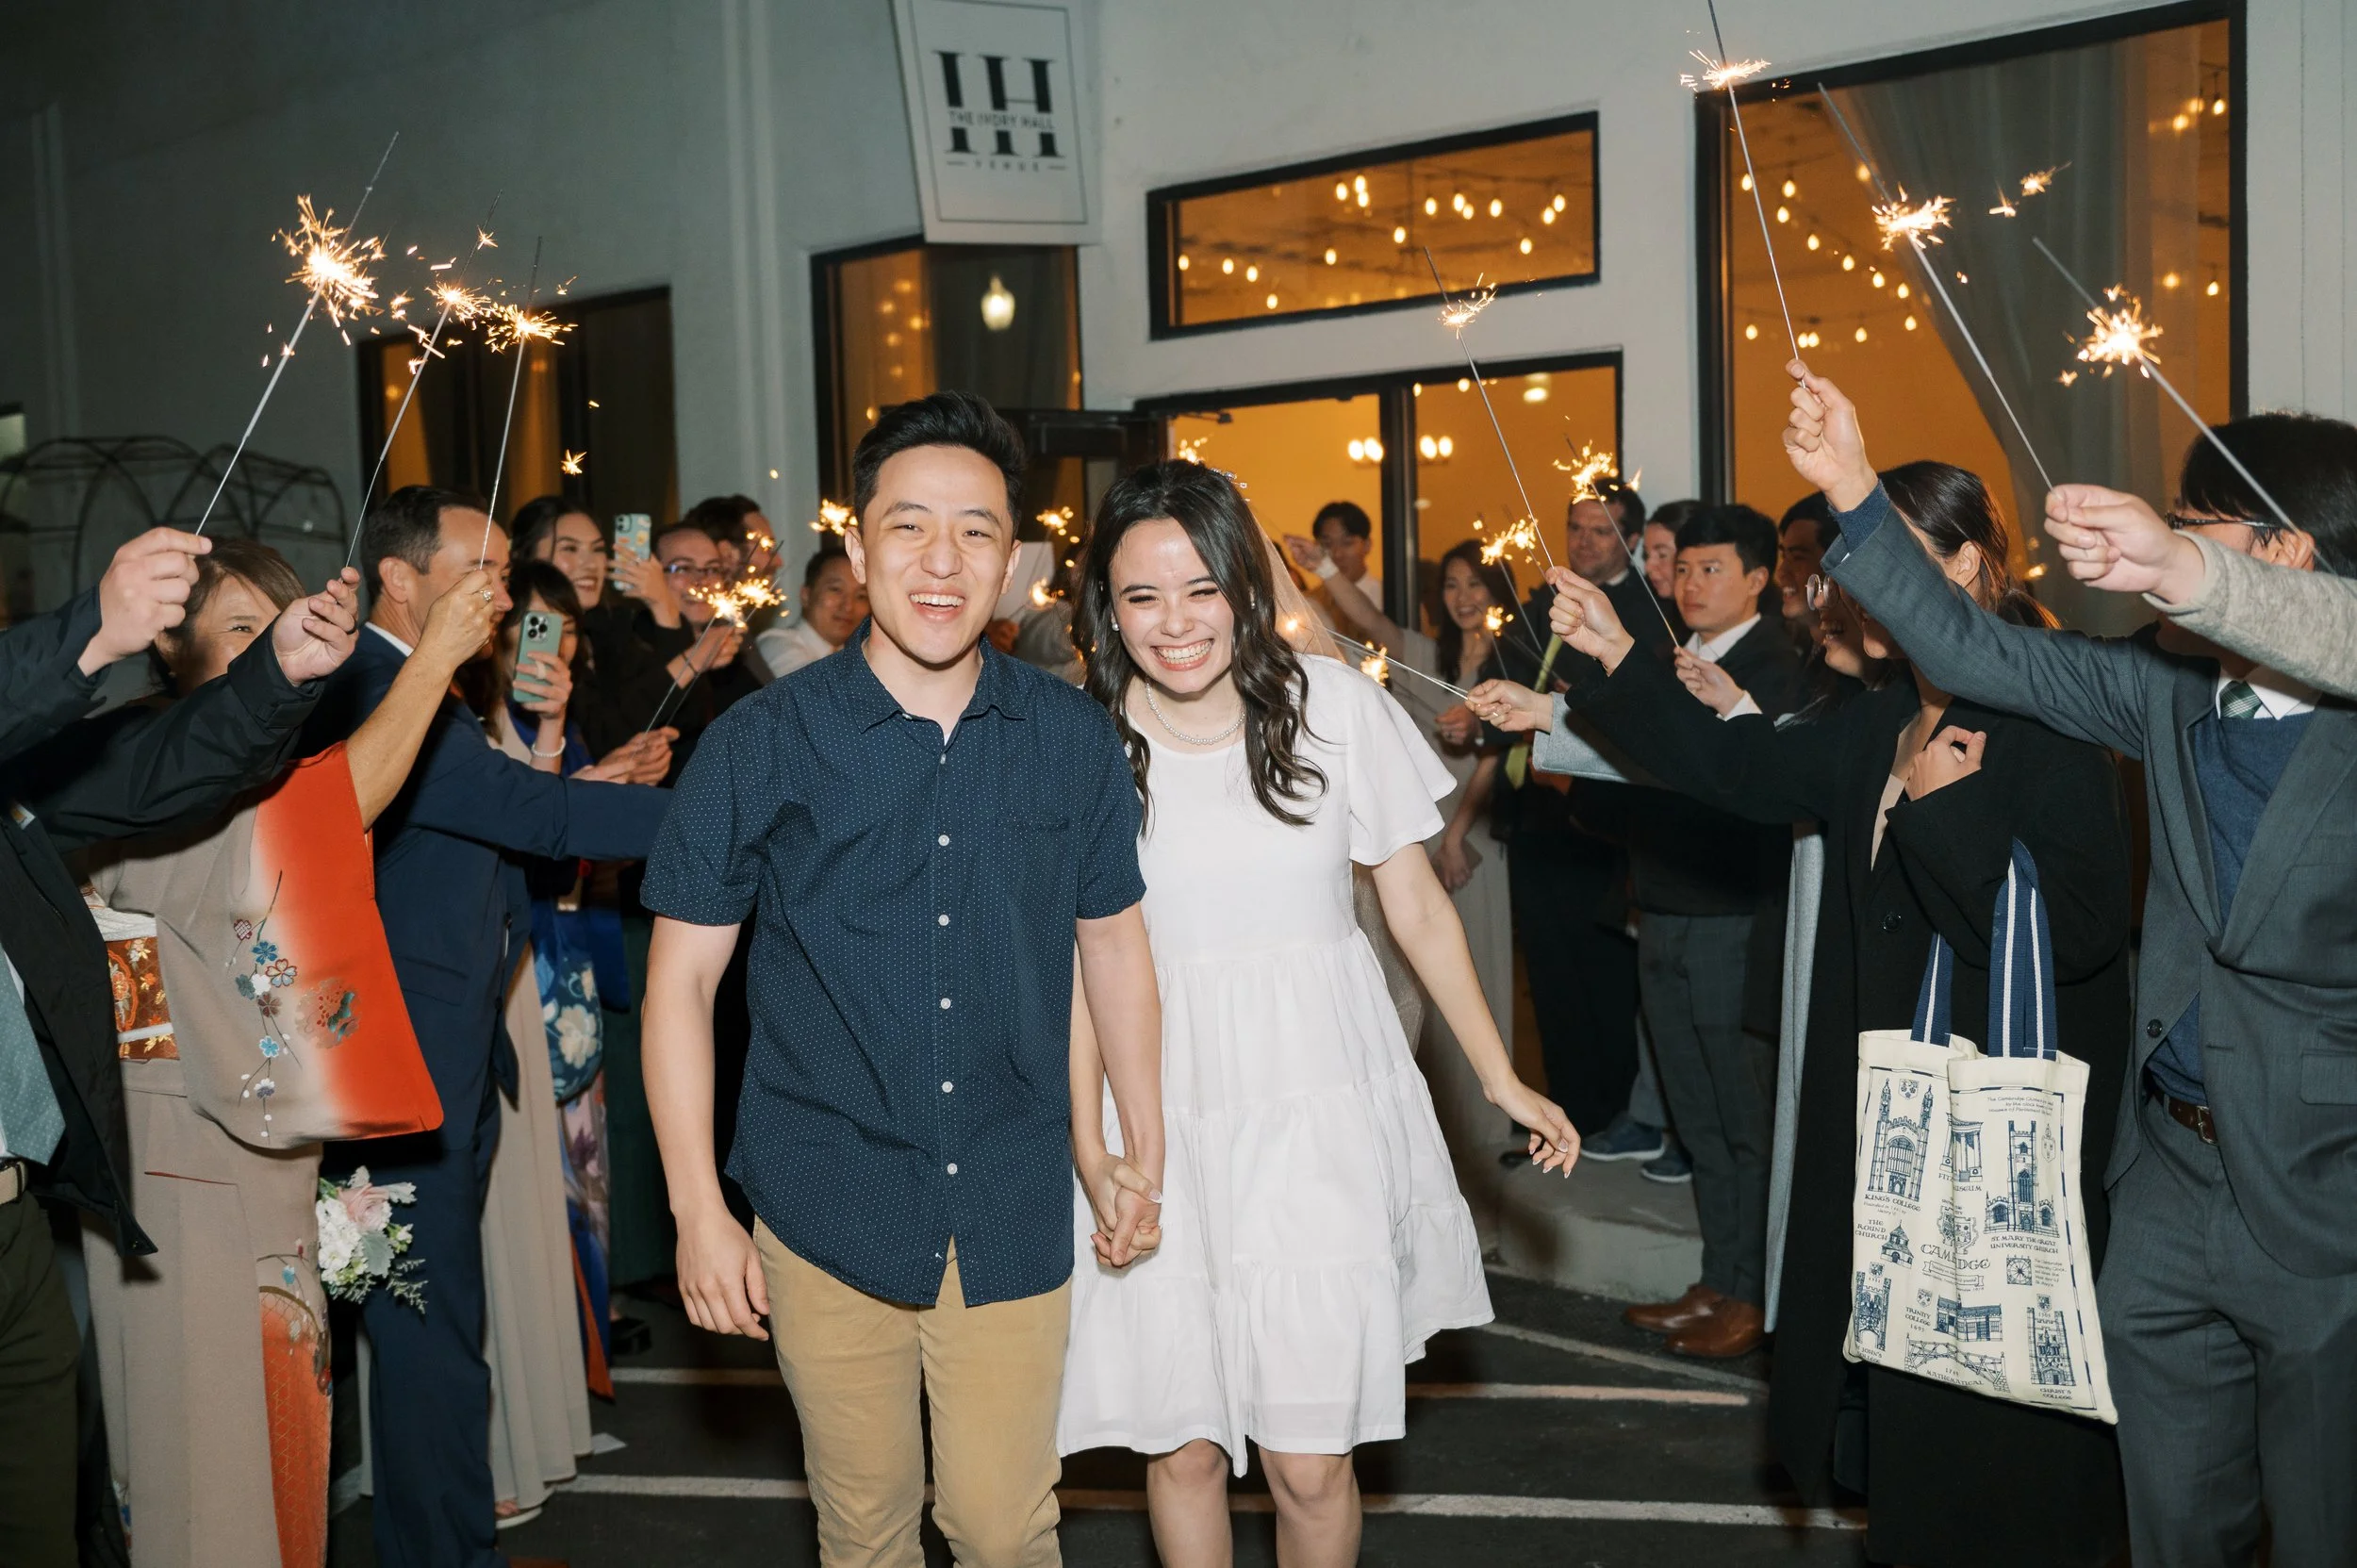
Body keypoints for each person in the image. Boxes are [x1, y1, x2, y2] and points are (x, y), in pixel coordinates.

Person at [1472, 459, 2134, 1567]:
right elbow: (1731, 768)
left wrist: (1947, 818)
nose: (1858, 592)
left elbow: (2076, 935)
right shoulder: (1881, 719)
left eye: (1892, 563)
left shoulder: (2051, 714)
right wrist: (1621, 656)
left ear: (1969, 565)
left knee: (2005, 1436)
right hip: (1885, 1129)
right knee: (1910, 1432)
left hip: (1994, 1141)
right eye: (1852, 568)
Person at [1786, 366, 2357, 1566]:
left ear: (2283, 553)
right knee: (2167, 1525)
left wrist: (2184, 571)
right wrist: (1848, 483)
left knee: (2321, 1527)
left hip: (2325, 1192)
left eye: (2192, 520)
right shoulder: (2164, 691)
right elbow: (1971, 647)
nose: (2161, 537)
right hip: (2162, 1185)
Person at [638, 390, 1165, 1568]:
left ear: (1016, 559)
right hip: (825, 1193)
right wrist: (695, 1211)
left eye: (976, 531)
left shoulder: (1071, 736)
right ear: (859, 545)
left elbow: (1115, 949)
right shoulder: (763, 743)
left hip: (1012, 1191)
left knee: (1002, 1524)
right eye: (910, 526)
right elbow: (679, 986)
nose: (943, 561)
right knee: (864, 1530)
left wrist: (1143, 1148)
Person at [1059, 459, 1577, 1568]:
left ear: (1245, 587)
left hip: (1316, 1106)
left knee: (1310, 1456)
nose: (1174, 622)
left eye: (1201, 587)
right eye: (1140, 596)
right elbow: (1076, 968)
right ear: (1106, 607)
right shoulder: (1081, 743)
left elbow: (1418, 910)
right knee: (1183, 1445)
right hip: (1155, 1107)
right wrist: (1090, 1143)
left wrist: (1497, 1073)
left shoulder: (1332, 704)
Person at [77, 537, 493, 1568]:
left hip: (236, 1144)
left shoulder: (225, 767)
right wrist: (433, 657)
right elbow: (320, 820)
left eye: (291, 626)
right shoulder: (156, 768)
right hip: (176, 1152)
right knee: (206, 1465)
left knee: (278, 1447)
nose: (279, 653)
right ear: (173, 653)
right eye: (241, 632)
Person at [302, 485, 672, 1568]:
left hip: (436, 1065)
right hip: (389, 1086)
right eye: (483, 572)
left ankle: (442, 1540)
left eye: (506, 574)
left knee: (419, 1331)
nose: (503, 596)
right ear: (401, 579)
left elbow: (510, 832)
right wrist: (735, 808)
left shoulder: (422, 691)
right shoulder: (375, 684)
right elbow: (541, 818)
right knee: (423, 1338)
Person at [0, 527, 361, 1565]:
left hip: (16, 1212)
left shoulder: (58, 769)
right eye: (234, 629)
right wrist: (91, 634)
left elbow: (153, 769)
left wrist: (276, 673)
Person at [1604, 503, 1808, 1356]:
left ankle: (1756, 1291)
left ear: (1759, 578)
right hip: (1664, 905)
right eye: (1682, 568)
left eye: (1710, 568)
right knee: (1692, 1110)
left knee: (1742, 1115)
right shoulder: (1667, 657)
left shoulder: (1781, 665)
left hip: (1733, 913)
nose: (1690, 583)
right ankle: (1719, 1274)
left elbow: (1740, 784)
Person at [1280, 534, 1523, 1170]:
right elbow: (1367, 623)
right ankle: (1433, 1123)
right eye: (1452, 585)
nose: (1464, 597)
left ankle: (1489, 1121)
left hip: (1471, 830)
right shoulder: (1424, 651)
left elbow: (1500, 755)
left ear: (1498, 591)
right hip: (1406, 832)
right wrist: (1324, 567)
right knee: (1415, 976)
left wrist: (1455, 836)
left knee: (1478, 969)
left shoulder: (1513, 660)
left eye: (1476, 584)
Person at [2044, 480, 2357, 699]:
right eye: (2173, 522)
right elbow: (2020, 665)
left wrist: (2174, 566)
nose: (2170, 536)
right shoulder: (2171, 689)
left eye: (2189, 523)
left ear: (2281, 550)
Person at [508, 494, 687, 762]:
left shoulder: (612, 628)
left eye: (598, 549)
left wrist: (664, 607)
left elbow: (684, 716)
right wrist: (693, 659)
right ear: (524, 556)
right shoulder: (524, 634)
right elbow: (601, 741)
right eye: (570, 549)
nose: (590, 564)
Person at [651, 522, 763, 763]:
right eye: (682, 568)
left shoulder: (730, 656)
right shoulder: (634, 650)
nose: (701, 582)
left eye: (712, 570)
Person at [754, 544, 868, 680]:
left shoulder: (859, 656)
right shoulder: (776, 644)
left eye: (861, 596)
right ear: (806, 595)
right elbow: (816, 692)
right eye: (836, 589)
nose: (848, 606)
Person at [1306, 500, 1380, 606]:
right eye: (1327, 544)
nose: (1337, 554)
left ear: (1367, 545)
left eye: (1347, 543)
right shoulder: (1307, 604)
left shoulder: (1388, 599)